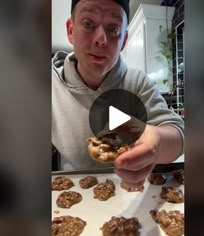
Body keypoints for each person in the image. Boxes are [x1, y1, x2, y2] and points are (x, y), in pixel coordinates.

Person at [52, 0, 184, 188]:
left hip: (131, 196)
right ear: (70, 30)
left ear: (124, 41)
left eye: (113, 29)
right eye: (88, 24)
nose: (101, 39)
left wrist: (156, 141)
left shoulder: (138, 83)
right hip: (70, 196)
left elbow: (179, 134)